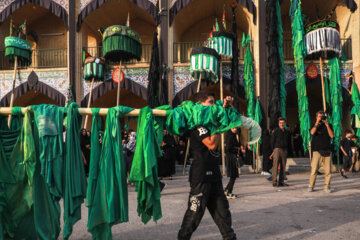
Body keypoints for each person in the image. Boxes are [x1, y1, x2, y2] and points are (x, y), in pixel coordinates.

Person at [178, 91, 237, 240]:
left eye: (213, 103)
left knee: (223, 214)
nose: (213, 106)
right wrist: (217, 122)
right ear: (200, 105)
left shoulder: (210, 125)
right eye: (210, 103)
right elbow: (211, 144)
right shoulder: (198, 126)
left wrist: (226, 106)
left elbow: (229, 121)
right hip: (201, 177)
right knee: (194, 215)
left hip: (214, 177)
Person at [308, 111, 334, 193]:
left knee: (328, 171)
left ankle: (327, 186)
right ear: (316, 117)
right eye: (319, 116)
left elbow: (332, 135)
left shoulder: (329, 125)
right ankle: (311, 186)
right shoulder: (314, 125)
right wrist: (317, 123)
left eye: (322, 117)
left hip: (327, 150)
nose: (321, 118)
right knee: (314, 170)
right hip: (317, 151)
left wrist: (326, 124)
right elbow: (312, 132)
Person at [270, 117, 290, 187]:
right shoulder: (275, 131)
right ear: (278, 123)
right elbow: (272, 141)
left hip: (284, 150)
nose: (282, 124)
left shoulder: (287, 131)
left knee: (283, 167)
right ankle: (274, 182)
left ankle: (281, 182)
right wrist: (274, 150)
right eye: (280, 123)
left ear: (285, 123)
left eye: (283, 123)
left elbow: (288, 142)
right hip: (277, 150)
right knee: (275, 166)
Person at [224, 127, 242, 199]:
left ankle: (227, 190)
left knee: (234, 175)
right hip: (231, 157)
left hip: (233, 157)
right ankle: (228, 192)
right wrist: (236, 148)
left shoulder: (235, 135)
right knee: (233, 175)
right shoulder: (230, 136)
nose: (235, 129)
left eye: (236, 128)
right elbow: (228, 148)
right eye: (234, 128)